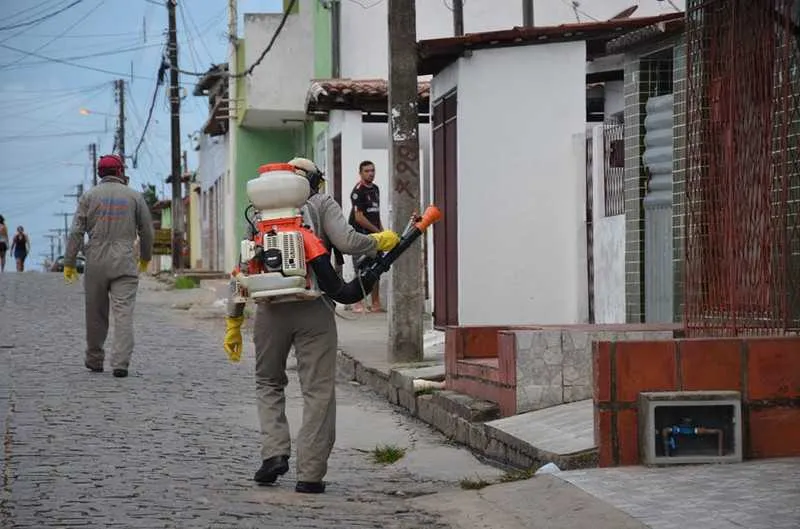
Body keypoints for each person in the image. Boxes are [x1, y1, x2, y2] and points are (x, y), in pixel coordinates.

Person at [223, 157, 399, 494]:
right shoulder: (321, 203)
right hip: (314, 305)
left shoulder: (260, 212)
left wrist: (233, 319)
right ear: (314, 180)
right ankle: (310, 474)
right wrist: (379, 241)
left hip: (270, 310)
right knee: (317, 390)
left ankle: (274, 453)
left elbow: (242, 269)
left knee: (268, 381)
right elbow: (347, 241)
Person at [63, 154, 154, 378]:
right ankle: (120, 363)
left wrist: (69, 262)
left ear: (99, 173)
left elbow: (76, 231)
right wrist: (145, 257)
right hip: (124, 260)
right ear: (120, 172)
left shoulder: (89, 196)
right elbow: (147, 231)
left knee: (95, 313)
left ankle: (94, 359)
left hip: (95, 260)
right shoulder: (134, 196)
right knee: (123, 313)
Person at [347, 160, 384, 313]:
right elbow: (359, 217)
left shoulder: (375, 189)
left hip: (375, 235)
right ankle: (357, 302)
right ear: (360, 173)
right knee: (361, 268)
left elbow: (376, 214)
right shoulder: (358, 191)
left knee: (377, 267)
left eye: (372, 170)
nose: (371, 173)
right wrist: (376, 231)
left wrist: (382, 232)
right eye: (367, 171)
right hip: (360, 235)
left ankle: (376, 303)